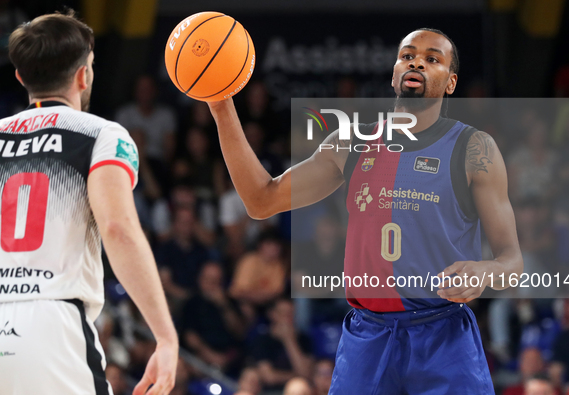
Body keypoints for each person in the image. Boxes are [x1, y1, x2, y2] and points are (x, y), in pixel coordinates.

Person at [207, 28, 523, 394]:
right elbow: (261, 201)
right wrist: (221, 106)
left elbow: (512, 262)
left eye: (432, 58)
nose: (417, 61)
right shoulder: (351, 142)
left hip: (443, 334)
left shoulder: (474, 149)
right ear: (394, 74)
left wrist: (485, 271)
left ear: (450, 83)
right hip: (369, 336)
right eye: (407, 55)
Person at [0, 10, 178, 394]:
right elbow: (117, 228)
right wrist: (165, 336)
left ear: (21, 77)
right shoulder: (101, 134)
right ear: (84, 75)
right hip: (52, 324)